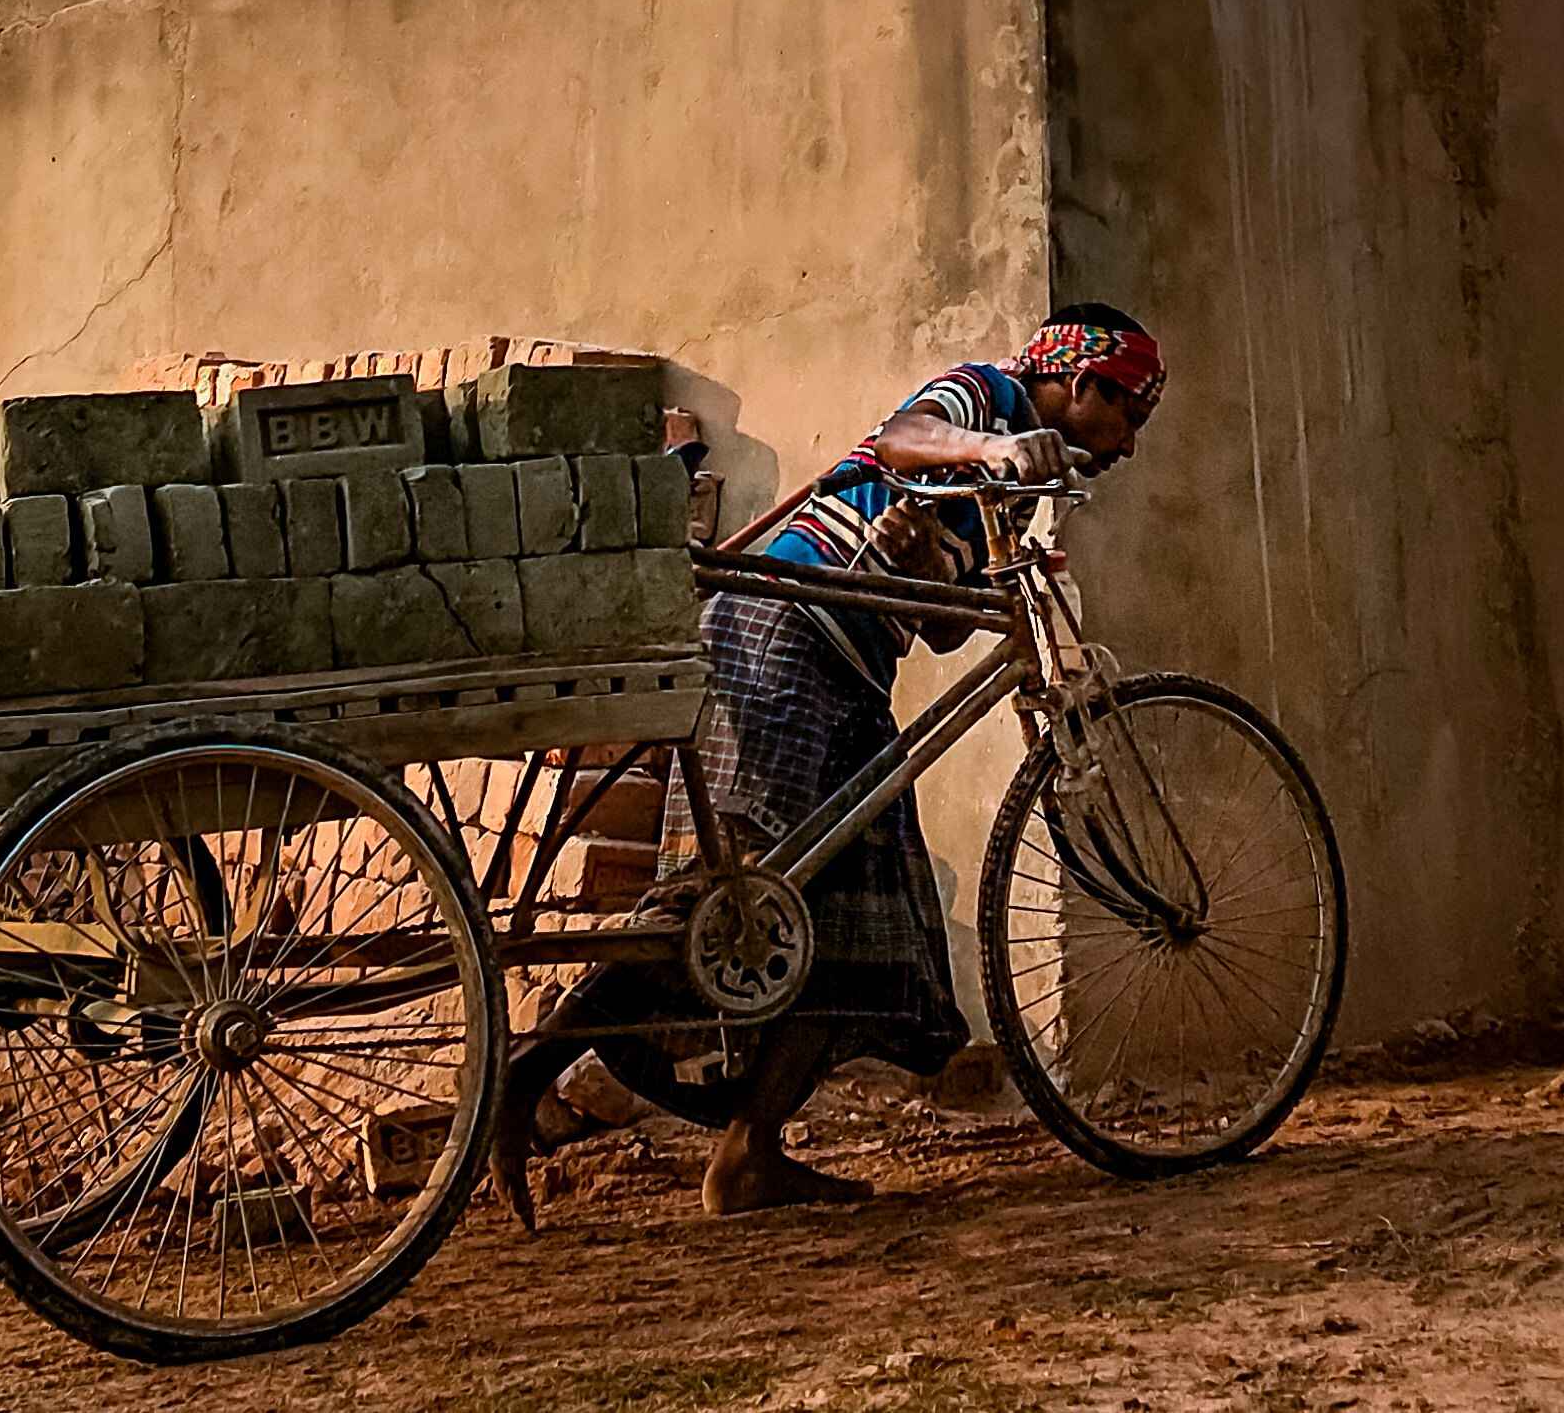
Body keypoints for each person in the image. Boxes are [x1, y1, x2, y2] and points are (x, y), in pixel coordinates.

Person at [497, 305, 1169, 1220]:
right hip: (778, 632)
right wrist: (991, 453)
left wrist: (933, 555)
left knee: (868, 929)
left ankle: (748, 1157)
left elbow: (936, 625)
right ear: (1082, 382)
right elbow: (904, 436)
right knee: (732, 896)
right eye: (1127, 413)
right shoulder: (986, 398)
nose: (1127, 443)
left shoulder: (1018, 487)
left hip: (852, 677)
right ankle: (525, 1070)